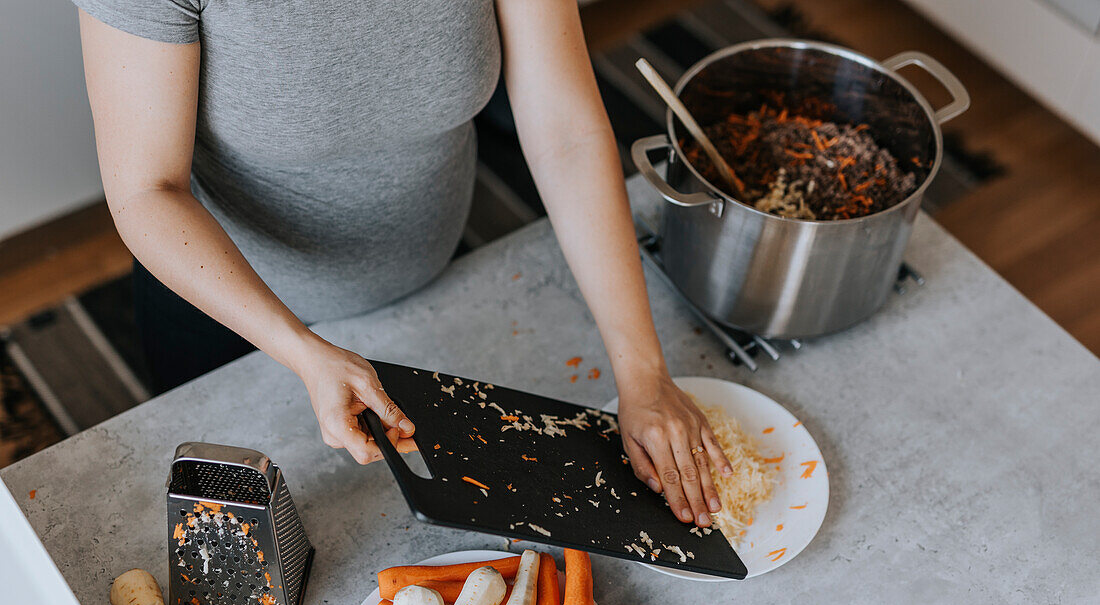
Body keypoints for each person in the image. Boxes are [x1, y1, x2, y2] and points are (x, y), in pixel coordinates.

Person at [75, 0, 734, 527]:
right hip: (231, 318)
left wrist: (643, 373)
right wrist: (302, 349)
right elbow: (146, 191)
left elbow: (563, 125)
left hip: (433, 280)